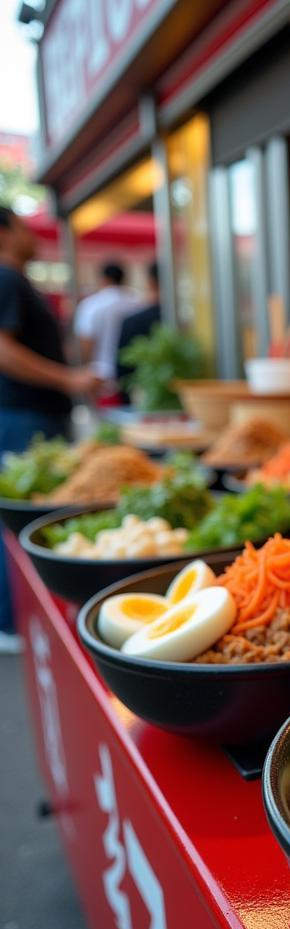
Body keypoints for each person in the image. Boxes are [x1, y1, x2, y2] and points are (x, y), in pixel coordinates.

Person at [0, 207, 100, 648]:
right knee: (27, 527)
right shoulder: (6, 278)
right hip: (25, 418)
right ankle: (14, 622)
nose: (31, 233)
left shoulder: (16, 280)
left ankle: (18, 621)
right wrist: (70, 379)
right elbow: (2, 350)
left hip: (29, 416)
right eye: (22, 225)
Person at [74, 261, 143, 385]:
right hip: (133, 372)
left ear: (103, 278)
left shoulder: (91, 305)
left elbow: (86, 343)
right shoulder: (136, 302)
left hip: (100, 374)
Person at [115, 261, 161, 399]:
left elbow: (122, 367)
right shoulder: (183, 320)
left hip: (138, 396)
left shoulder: (132, 321)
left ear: (151, 282)